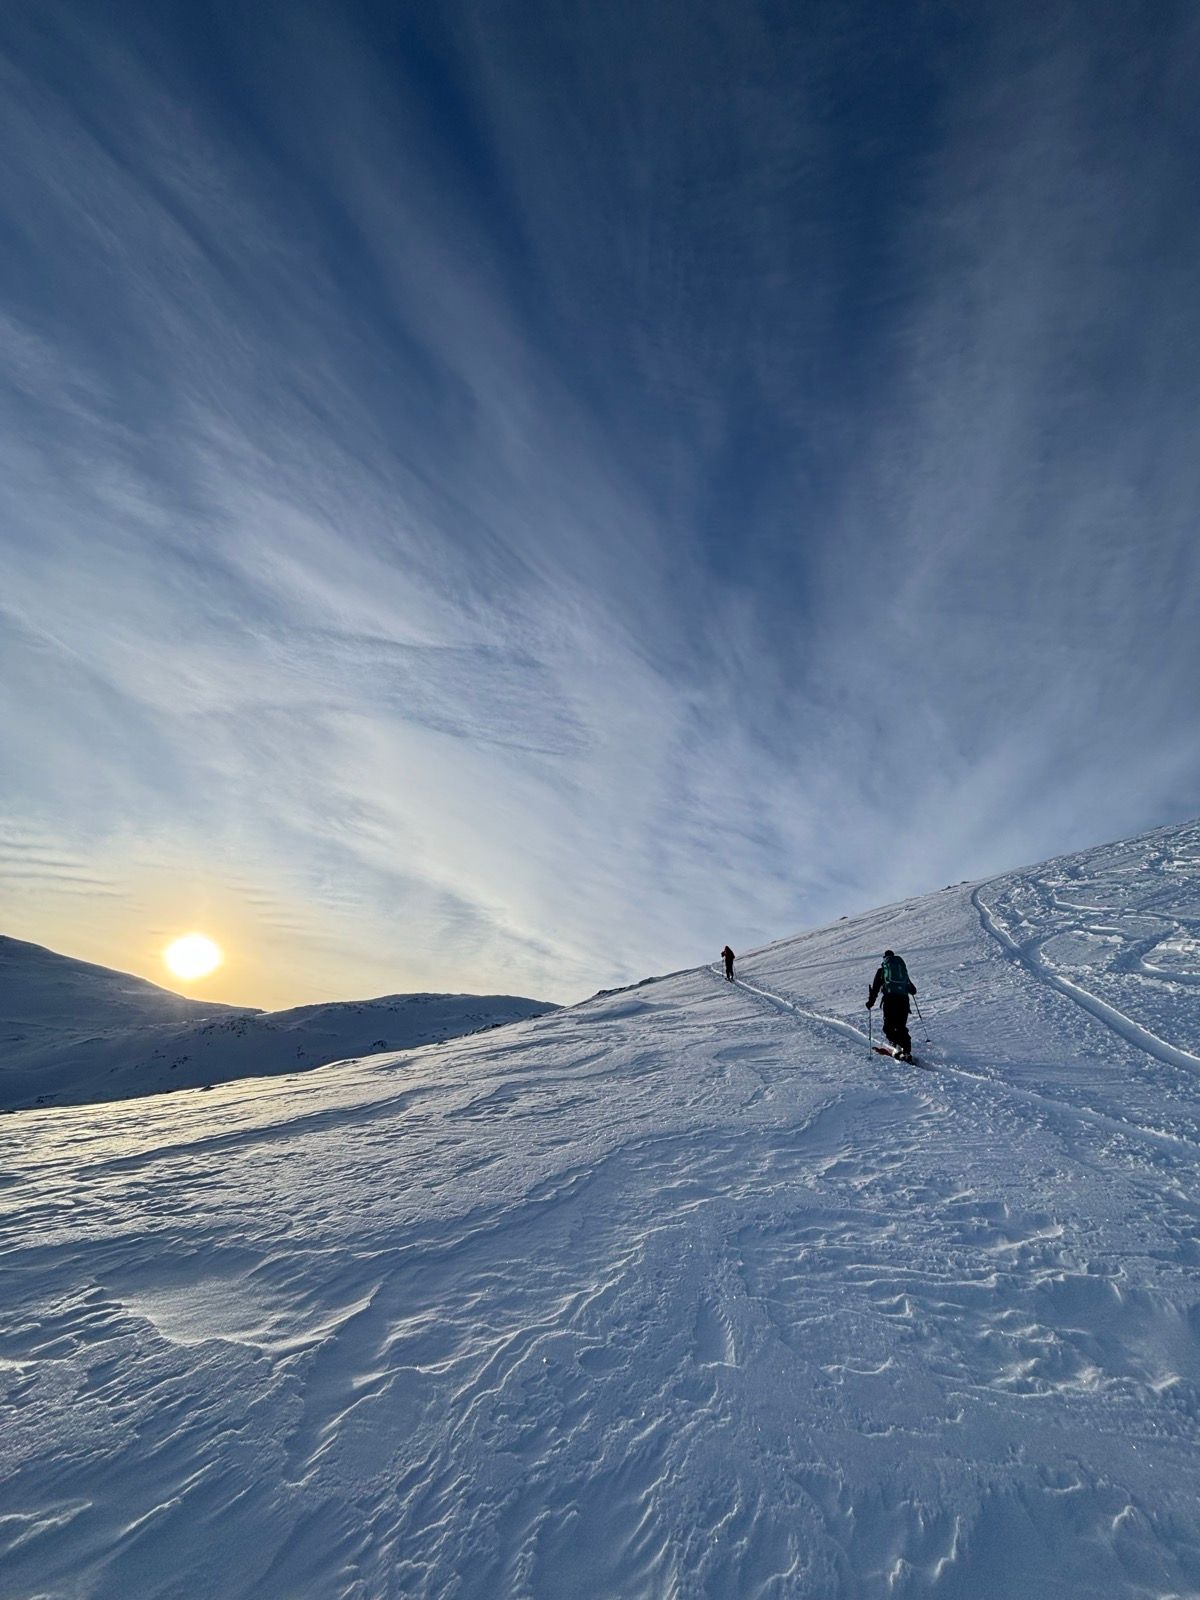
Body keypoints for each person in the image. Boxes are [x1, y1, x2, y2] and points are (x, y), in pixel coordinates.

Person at [866, 948, 917, 1061]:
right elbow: (913, 990)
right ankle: (907, 1052)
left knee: (888, 1027)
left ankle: (897, 1047)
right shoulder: (901, 971)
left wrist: (870, 1002)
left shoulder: (882, 971)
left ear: (885, 959)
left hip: (890, 1001)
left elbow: (875, 988)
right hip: (903, 1001)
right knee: (901, 1026)